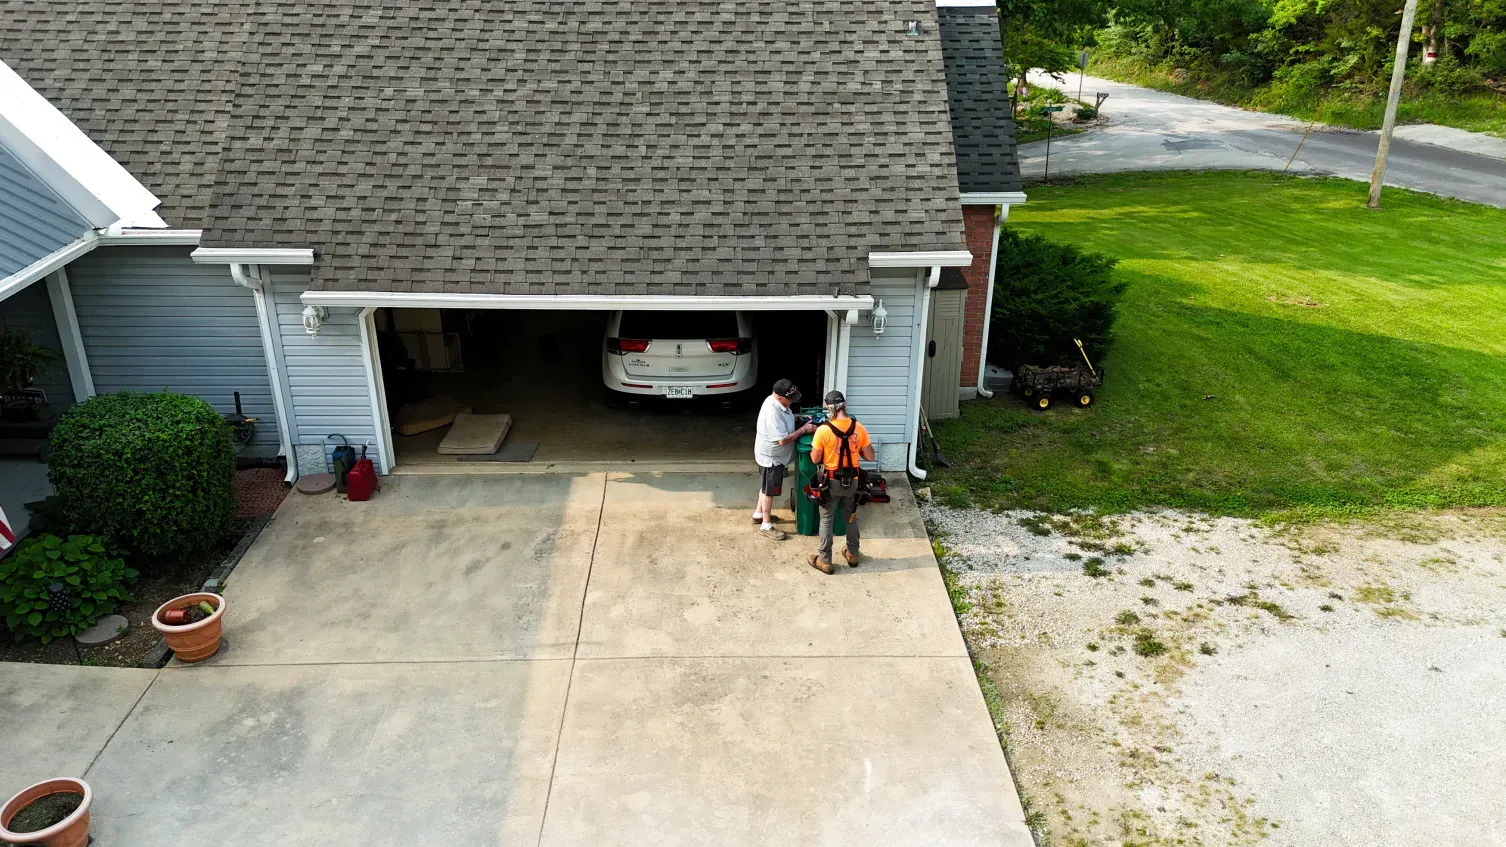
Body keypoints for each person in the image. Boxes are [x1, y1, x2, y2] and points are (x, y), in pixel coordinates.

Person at [806, 389, 874, 574]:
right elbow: (869, 456)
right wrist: (856, 448)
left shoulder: (823, 430)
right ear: (845, 405)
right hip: (852, 481)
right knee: (850, 517)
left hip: (831, 482)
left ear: (830, 408)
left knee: (827, 519)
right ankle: (853, 554)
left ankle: (825, 560)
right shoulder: (859, 428)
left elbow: (814, 459)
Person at [753, 379, 816, 541]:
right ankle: (765, 525)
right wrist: (803, 430)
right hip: (772, 458)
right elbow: (782, 440)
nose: (792, 401)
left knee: (765, 485)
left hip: (774, 456)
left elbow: (785, 416)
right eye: (790, 398)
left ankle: (758, 514)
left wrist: (798, 417)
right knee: (769, 491)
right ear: (779, 397)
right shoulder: (772, 413)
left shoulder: (776, 402)